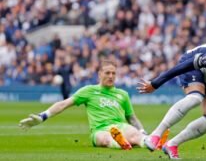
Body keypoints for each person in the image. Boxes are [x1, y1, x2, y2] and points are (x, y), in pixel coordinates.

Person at [19, 60, 150, 150]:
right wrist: (43, 116)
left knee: (135, 134)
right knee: (105, 139)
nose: (111, 76)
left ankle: (149, 142)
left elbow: (132, 118)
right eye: (107, 73)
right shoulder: (89, 91)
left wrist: (143, 132)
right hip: (100, 129)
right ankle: (121, 143)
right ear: (100, 74)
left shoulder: (123, 94)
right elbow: (64, 104)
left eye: (113, 73)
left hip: (121, 126)